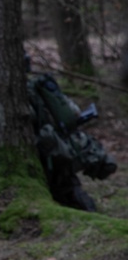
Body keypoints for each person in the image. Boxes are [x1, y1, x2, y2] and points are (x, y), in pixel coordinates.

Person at [26, 61, 117, 212]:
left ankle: (88, 215)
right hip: (60, 147)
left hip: (51, 152)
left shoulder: (25, 92)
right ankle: (90, 212)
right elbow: (74, 111)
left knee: (65, 188)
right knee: (69, 187)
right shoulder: (40, 87)